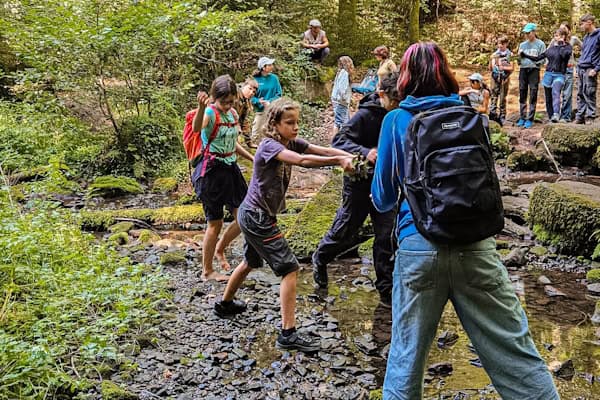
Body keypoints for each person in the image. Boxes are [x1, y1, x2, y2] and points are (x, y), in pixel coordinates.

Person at [371, 41, 559, 400]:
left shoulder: (396, 120)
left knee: (406, 358)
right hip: (477, 248)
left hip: (418, 250)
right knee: (515, 354)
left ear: (405, 78)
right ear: (446, 73)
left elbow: (382, 198)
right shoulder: (472, 117)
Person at [213, 98, 354, 352]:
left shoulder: (288, 141)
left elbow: (318, 150)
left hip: (255, 214)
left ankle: (225, 304)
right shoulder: (269, 146)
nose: (296, 127)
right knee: (290, 267)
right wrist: (339, 163)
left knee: (250, 262)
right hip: (257, 217)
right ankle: (288, 333)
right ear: (274, 124)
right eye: (290, 123)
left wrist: (351, 155)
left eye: (297, 122)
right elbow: (302, 161)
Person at [312, 74, 400, 307]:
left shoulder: (399, 115)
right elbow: (338, 142)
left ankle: (385, 290)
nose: (398, 105)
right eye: (395, 100)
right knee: (346, 229)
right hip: (359, 182)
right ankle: (321, 257)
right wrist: (365, 151)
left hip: (384, 185)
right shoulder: (366, 114)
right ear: (383, 95)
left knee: (386, 236)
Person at [192, 75, 254, 282]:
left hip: (230, 169)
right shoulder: (209, 113)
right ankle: (207, 270)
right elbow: (197, 128)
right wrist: (201, 108)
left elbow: (232, 142)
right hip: (211, 172)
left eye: (231, 101)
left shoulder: (233, 114)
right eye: (224, 102)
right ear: (214, 98)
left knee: (243, 216)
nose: (228, 106)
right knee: (215, 223)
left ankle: (221, 248)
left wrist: (252, 158)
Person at [521, 28, 572, 122]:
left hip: (559, 75)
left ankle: (556, 114)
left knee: (555, 93)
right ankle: (551, 116)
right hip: (548, 75)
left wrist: (561, 44)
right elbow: (538, 58)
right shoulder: (551, 49)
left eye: (557, 36)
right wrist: (525, 55)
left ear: (563, 37)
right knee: (548, 97)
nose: (555, 38)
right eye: (555, 36)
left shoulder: (567, 47)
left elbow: (564, 55)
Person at [517, 23, 546, 128]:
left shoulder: (540, 44)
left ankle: (530, 118)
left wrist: (534, 61)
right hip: (523, 70)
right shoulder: (522, 45)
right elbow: (519, 61)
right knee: (522, 92)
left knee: (533, 93)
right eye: (525, 33)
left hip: (534, 70)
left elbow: (543, 59)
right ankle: (522, 117)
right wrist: (518, 57)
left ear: (534, 32)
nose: (527, 35)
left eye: (528, 33)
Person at [575, 14, 600, 124]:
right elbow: (584, 53)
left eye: (582, 24)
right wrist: (578, 67)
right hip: (581, 67)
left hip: (591, 68)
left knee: (589, 92)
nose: (581, 26)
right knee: (580, 93)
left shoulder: (599, 35)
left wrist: (596, 69)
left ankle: (590, 117)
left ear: (589, 22)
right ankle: (580, 117)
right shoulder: (586, 37)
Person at [251, 57, 282, 143]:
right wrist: (258, 101)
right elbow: (250, 96)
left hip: (273, 110)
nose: (272, 66)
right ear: (263, 68)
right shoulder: (255, 79)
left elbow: (278, 94)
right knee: (256, 133)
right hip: (260, 111)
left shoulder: (274, 78)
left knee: (273, 132)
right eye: (269, 65)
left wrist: (270, 102)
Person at [557, 22, 583, 122]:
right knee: (557, 93)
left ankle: (566, 117)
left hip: (569, 68)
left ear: (569, 30)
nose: (562, 30)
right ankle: (557, 114)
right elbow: (548, 51)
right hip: (558, 69)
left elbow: (585, 48)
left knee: (567, 94)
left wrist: (578, 62)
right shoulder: (556, 39)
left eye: (564, 28)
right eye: (560, 29)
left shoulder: (573, 39)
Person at [489, 36, 514, 125]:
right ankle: (492, 114)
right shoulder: (495, 54)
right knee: (493, 95)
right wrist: (491, 59)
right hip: (494, 77)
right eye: (499, 44)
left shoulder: (510, 54)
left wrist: (502, 67)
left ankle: (502, 116)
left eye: (502, 44)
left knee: (503, 97)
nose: (500, 46)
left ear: (506, 44)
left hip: (504, 77)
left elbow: (512, 68)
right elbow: (490, 68)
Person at [331, 56, 354, 134]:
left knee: (344, 121)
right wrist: (345, 99)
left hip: (337, 100)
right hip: (341, 101)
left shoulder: (340, 72)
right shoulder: (344, 73)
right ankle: (336, 143)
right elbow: (341, 89)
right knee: (340, 123)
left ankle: (340, 142)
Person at [234, 77, 259, 148]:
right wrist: (237, 125)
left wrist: (249, 142)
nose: (251, 93)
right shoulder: (233, 94)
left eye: (254, 92)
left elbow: (244, 121)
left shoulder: (246, 102)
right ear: (244, 86)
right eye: (249, 89)